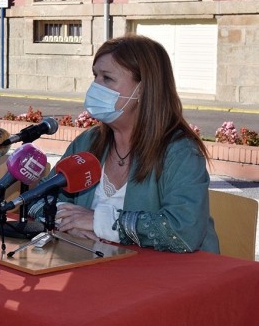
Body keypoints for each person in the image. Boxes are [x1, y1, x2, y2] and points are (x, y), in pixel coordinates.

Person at [33, 34, 219, 253]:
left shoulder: (180, 152)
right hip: (94, 270)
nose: (95, 86)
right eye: (95, 76)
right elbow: (38, 200)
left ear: (142, 89)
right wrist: (68, 222)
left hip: (169, 279)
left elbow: (183, 231)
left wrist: (99, 223)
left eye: (107, 78)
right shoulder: (88, 142)